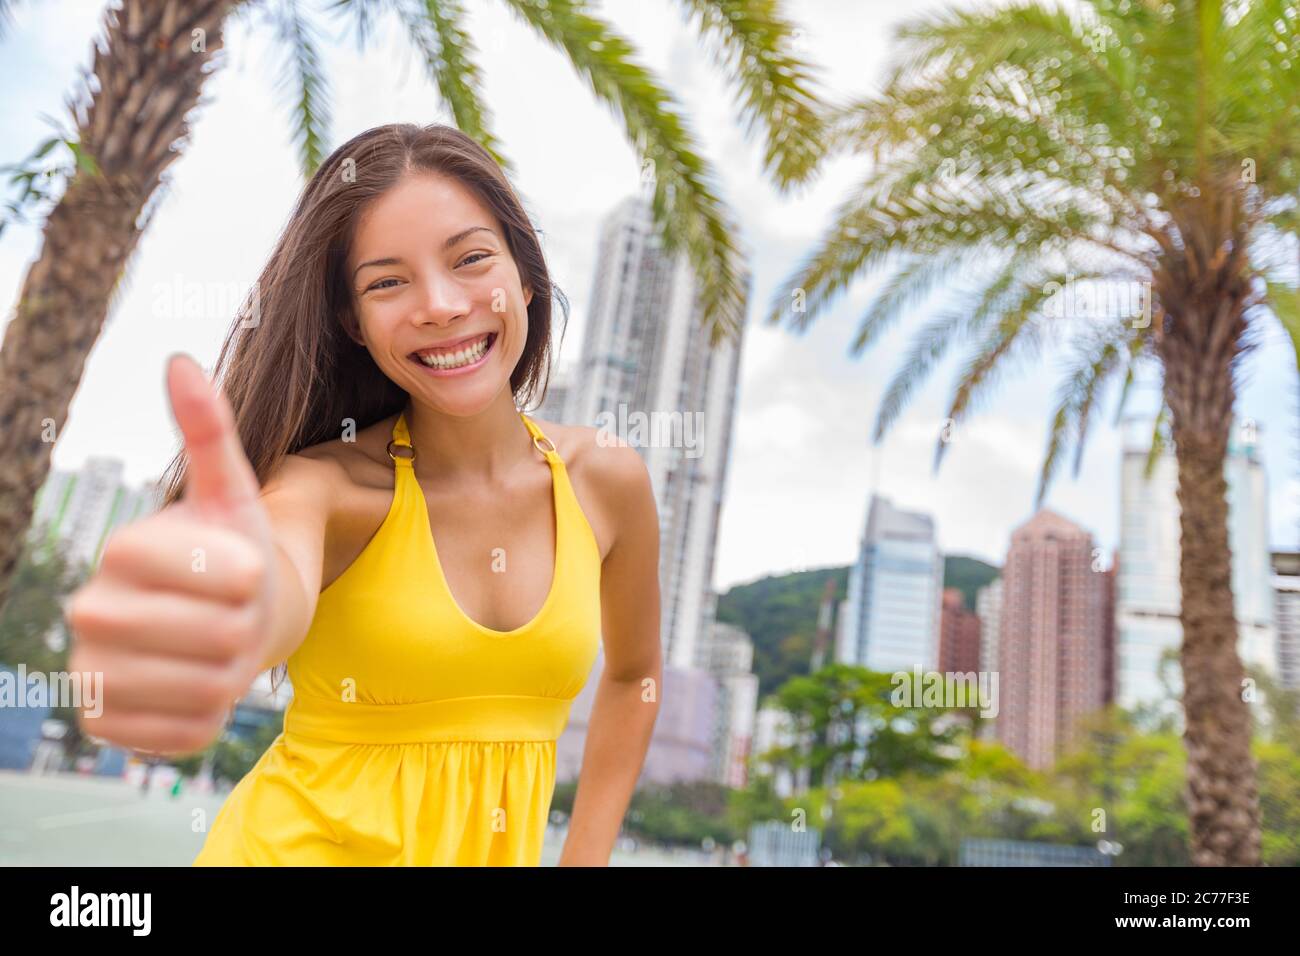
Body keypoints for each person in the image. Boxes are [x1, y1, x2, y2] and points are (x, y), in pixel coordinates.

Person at [66, 123, 663, 866]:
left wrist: (586, 857)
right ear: (354, 323)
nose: (441, 304)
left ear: (526, 275)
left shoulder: (607, 480)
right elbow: (270, 589)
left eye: (471, 259)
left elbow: (635, 674)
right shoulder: (324, 487)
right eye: (388, 281)